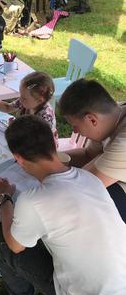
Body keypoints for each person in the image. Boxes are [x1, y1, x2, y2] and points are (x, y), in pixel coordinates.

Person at [0, 115, 126, 295]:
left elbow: (15, 246)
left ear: (18, 158)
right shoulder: (90, 178)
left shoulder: (32, 201)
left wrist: (5, 198)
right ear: (55, 141)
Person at [58, 78, 126, 223]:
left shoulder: (124, 143)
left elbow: (83, 185)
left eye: (75, 126)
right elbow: (88, 154)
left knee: (84, 206)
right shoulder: (111, 116)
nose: (75, 131)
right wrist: (50, 158)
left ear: (92, 120)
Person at [0, 71, 58, 145]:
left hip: (41, 149)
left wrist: (16, 127)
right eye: (20, 95)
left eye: (24, 98)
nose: (20, 99)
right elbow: (8, 107)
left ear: (39, 100)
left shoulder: (46, 117)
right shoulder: (26, 102)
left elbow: (36, 141)